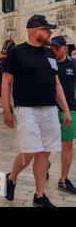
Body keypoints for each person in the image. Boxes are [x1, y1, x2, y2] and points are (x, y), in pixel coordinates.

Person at [3, 14, 71, 207]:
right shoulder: (16, 52)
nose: (50, 33)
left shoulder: (49, 53)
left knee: (44, 153)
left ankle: (39, 196)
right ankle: (12, 178)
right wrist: (7, 110)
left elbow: (56, 84)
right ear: (35, 31)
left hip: (49, 109)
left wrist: (65, 110)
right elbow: (7, 82)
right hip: (27, 108)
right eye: (47, 30)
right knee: (30, 151)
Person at [50, 36, 76, 193]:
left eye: (57, 48)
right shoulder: (48, 64)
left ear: (64, 48)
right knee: (44, 145)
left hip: (70, 108)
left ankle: (63, 179)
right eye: (52, 47)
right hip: (48, 109)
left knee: (68, 144)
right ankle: (43, 166)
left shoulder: (73, 64)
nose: (54, 51)